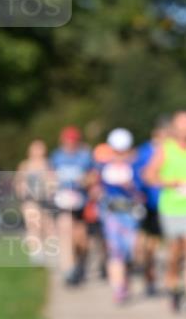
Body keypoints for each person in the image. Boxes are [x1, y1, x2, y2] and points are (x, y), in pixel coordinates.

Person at [145, 110, 186, 314]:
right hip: (172, 207)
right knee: (175, 252)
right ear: (174, 127)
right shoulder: (165, 149)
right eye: (182, 123)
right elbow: (148, 175)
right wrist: (170, 183)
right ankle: (173, 285)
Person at [97, 128, 145, 304]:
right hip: (111, 213)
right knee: (115, 251)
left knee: (131, 251)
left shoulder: (135, 166)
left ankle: (126, 281)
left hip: (130, 215)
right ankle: (118, 287)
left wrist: (130, 186)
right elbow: (96, 187)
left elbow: (141, 191)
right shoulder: (103, 165)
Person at [49, 126, 92, 285]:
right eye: (67, 141)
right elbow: (51, 175)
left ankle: (81, 263)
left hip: (82, 202)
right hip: (63, 201)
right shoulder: (56, 156)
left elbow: (93, 176)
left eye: (73, 141)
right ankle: (69, 270)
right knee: (65, 232)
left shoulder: (85, 156)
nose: (70, 144)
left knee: (81, 239)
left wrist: (85, 181)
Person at [132, 117, 169, 296]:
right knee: (149, 245)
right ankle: (149, 278)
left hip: (171, 205)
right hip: (150, 204)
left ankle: (171, 280)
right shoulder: (144, 152)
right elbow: (138, 177)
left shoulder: (173, 150)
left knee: (172, 244)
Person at [14, 139, 56, 265]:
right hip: (30, 200)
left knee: (48, 226)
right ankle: (36, 254)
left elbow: (53, 181)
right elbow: (18, 182)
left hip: (46, 200)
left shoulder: (48, 164)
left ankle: (50, 253)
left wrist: (49, 189)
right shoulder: (25, 165)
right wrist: (22, 192)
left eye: (40, 148)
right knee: (33, 225)